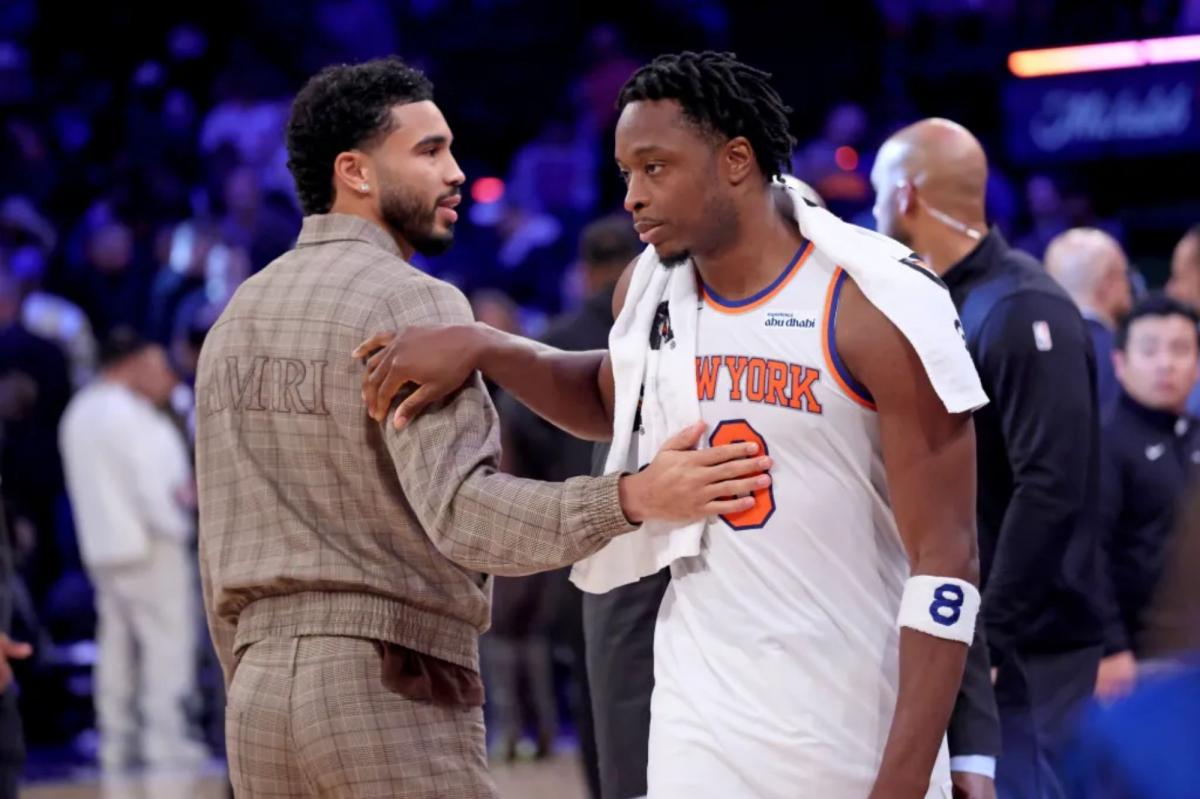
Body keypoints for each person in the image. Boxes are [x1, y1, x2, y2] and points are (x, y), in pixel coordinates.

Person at [357, 51, 984, 799]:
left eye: (655, 168)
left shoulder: (874, 304)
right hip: (700, 711)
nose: (633, 196)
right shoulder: (650, 285)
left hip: (849, 717)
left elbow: (947, 560)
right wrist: (485, 346)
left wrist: (909, 776)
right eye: (626, 172)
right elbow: (611, 398)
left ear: (736, 161)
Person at [196, 57, 763, 799]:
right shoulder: (414, 303)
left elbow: (217, 550)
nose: (456, 172)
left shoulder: (234, 318)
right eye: (429, 151)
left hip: (255, 698)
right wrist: (632, 496)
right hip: (387, 680)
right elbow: (465, 517)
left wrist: (248, 680)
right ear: (354, 172)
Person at [871, 118, 1103, 799]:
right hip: (976, 635)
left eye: (879, 191)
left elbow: (1051, 486)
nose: (873, 210)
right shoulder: (944, 300)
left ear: (906, 194)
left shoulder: (1021, 306)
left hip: (1030, 647)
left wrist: (989, 634)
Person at [59, 327, 207, 771]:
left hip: (102, 549)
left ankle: (116, 738)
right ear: (134, 362)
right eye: (156, 363)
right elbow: (155, 489)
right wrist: (181, 522)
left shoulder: (79, 410)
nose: (164, 374)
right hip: (151, 545)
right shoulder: (132, 415)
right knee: (167, 645)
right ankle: (167, 740)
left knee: (116, 648)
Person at [1092, 295, 1200, 703]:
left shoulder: (1194, 434)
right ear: (1120, 362)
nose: (1165, 363)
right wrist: (1111, 647)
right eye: (1150, 350)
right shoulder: (1104, 442)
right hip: (1137, 655)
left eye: (1180, 349)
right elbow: (1089, 554)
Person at [1045, 228, 1133, 412]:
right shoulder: (1126, 355)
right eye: (1125, 275)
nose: (1129, 286)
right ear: (1108, 282)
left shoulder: (1031, 349)